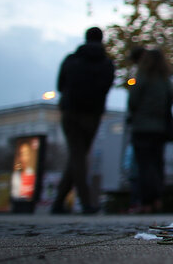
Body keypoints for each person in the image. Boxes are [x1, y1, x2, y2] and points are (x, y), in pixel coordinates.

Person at [52, 27, 115, 214]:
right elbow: (106, 87)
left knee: (76, 155)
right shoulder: (107, 63)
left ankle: (81, 202)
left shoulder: (71, 60)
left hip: (71, 112)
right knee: (78, 155)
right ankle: (63, 202)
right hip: (92, 114)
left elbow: (60, 85)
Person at [127, 48, 173, 213]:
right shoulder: (165, 80)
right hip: (160, 128)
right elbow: (171, 99)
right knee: (157, 164)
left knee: (144, 165)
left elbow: (133, 100)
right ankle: (157, 199)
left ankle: (146, 201)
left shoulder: (143, 77)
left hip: (142, 127)